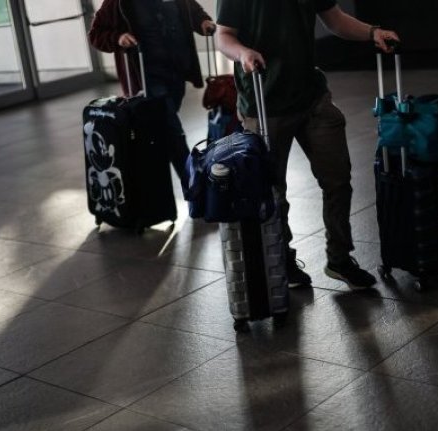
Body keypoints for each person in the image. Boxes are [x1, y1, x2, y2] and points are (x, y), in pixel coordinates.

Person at [215, 0, 399, 290]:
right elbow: (223, 35)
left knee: (338, 180)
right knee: (274, 192)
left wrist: (372, 32)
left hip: (312, 98)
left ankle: (339, 259)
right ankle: (282, 259)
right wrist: (243, 53)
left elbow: (335, 19)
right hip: (264, 102)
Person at [88, 0, 216, 181]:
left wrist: (202, 21)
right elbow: (96, 34)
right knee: (172, 129)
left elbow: (192, 10)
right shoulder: (117, 2)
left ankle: (157, 179)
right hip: (146, 79)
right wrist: (118, 37)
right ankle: (194, 182)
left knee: (163, 130)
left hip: (176, 73)